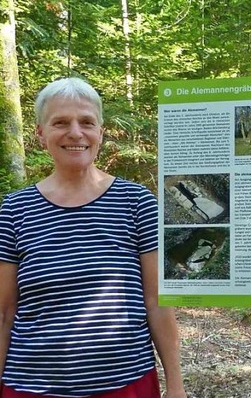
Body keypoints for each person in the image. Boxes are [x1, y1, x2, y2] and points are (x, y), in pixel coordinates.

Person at [0, 78, 187, 398]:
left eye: (87, 122)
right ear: (40, 133)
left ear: (100, 132)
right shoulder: (14, 210)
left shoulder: (136, 202)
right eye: (60, 122)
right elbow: (4, 312)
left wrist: (176, 385)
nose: (75, 132)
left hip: (126, 383)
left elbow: (157, 303)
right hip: (31, 387)